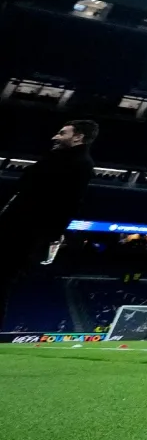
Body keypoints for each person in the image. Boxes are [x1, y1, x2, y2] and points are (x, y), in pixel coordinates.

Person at [0, 121, 97, 327]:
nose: (55, 136)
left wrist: (52, 235)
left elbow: (70, 203)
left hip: (23, 231)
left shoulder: (79, 164)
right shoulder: (58, 158)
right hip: (15, 226)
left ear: (78, 137)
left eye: (62, 133)